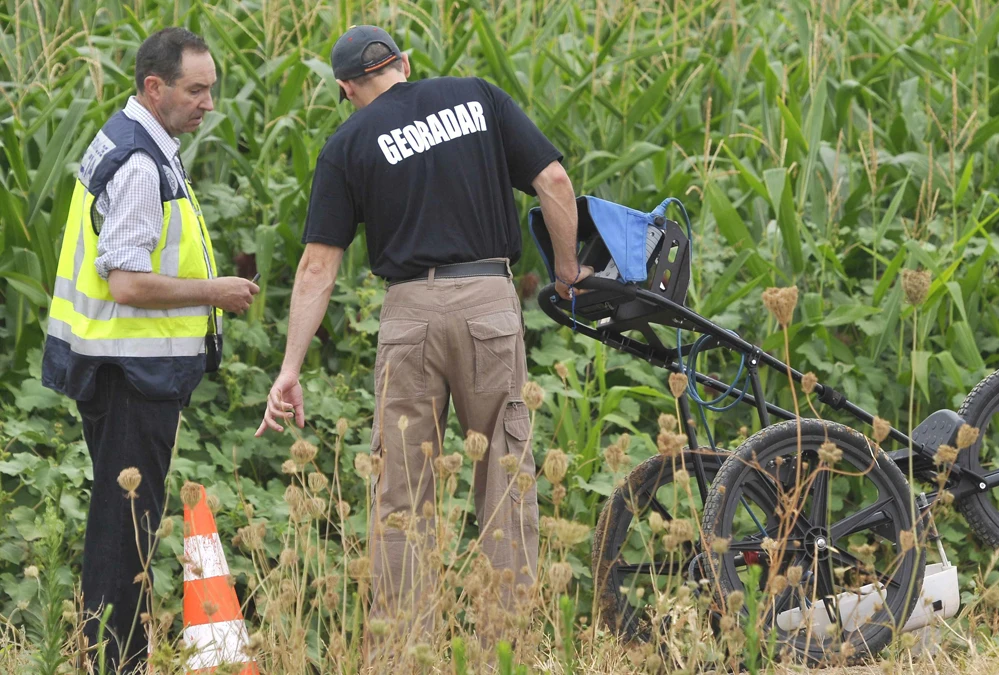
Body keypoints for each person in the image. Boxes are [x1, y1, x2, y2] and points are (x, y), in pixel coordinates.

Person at [255, 24, 589, 656]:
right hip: (489, 300)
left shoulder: (348, 141)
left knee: (401, 493)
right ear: (404, 63)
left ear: (347, 87)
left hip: (408, 313)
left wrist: (290, 368)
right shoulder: (478, 96)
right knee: (504, 479)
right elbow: (554, 182)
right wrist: (568, 270)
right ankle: (503, 656)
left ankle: (401, 656)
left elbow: (317, 266)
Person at [41, 27, 259, 673]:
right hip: (131, 373)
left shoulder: (132, 137)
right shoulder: (140, 160)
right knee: (124, 531)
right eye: (197, 90)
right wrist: (213, 291)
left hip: (118, 367)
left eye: (212, 89)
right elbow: (127, 280)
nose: (209, 104)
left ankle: (113, 654)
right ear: (154, 86)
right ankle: (116, 661)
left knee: (122, 521)